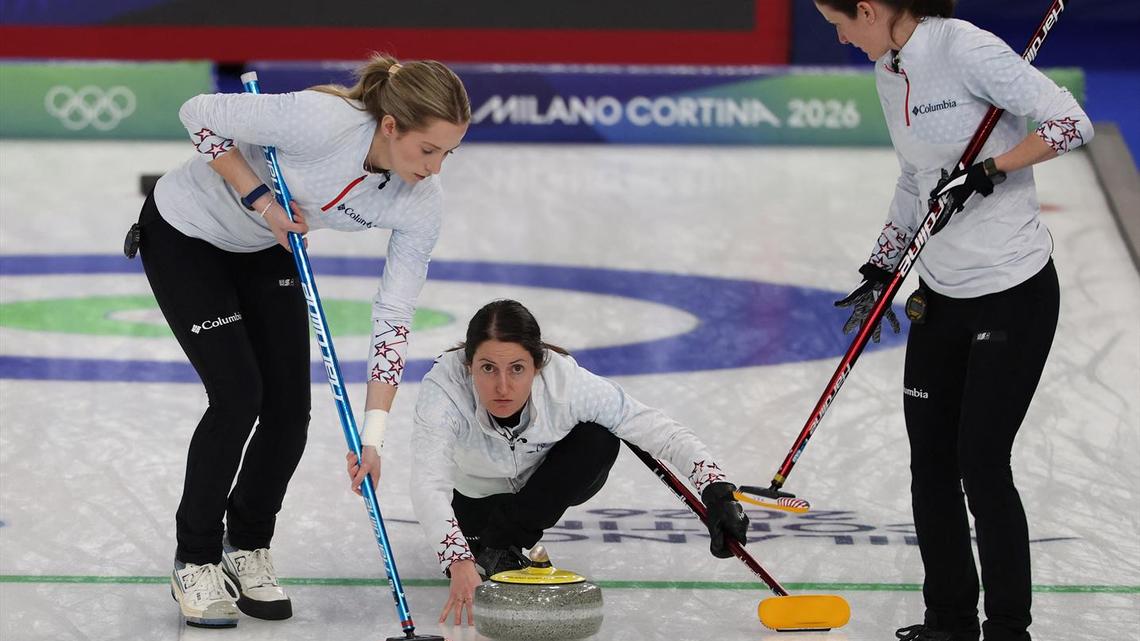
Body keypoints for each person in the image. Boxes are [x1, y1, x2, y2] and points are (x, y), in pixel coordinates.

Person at [131, 53, 470, 628]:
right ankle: (195, 558)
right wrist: (259, 199)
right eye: (428, 150)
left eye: (448, 154)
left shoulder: (419, 201)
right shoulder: (323, 122)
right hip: (187, 234)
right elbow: (198, 115)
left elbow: (394, 314)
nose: (436, 168)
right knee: (239, 396)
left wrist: (374, 436)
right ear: (391, 126)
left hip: (263, 248)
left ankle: (248, 547)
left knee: (291, 409)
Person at [813, 2, 1092, 640]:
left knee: (981, 460)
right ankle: (950, 620)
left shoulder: (963, 48)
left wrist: (989, 171)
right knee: (931, 462)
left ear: (869, 8)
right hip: (941, 293)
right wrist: (883, 265)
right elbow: (915, 177)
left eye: (841, 22)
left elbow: (1070, 123)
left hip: (1012, 290)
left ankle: (1007, 630)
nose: (841, 37)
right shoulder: (889, 70)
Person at [348, 299, 750, 626]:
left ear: (537, 366)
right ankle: (489, 544)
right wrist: (456, 559)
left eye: (517, 369)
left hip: (543, 487)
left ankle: (505, 542)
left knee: (600, 438)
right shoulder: (444, 389)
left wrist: (716, 489)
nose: (502, 386)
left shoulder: (566, 383)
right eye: (488, 369)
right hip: (472, 499)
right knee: (472, 541)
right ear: (469, 365)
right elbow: (429, 482)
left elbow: (658, 429)